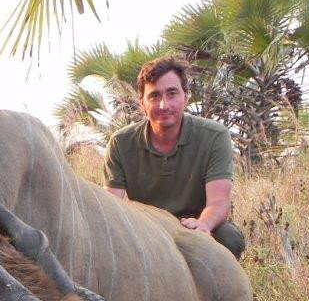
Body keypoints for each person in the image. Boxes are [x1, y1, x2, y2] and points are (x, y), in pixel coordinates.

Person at [103, 56, 245, 259]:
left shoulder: (215, 135)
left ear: (186, 96)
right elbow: (111, 204)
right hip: (146, 229)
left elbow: (219, 201)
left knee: (228, 237)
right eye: (154, 96)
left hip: (194, 225)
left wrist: (203, 225)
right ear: (142, 103)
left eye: (172, 93)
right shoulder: (120, 142)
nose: (163, 105)